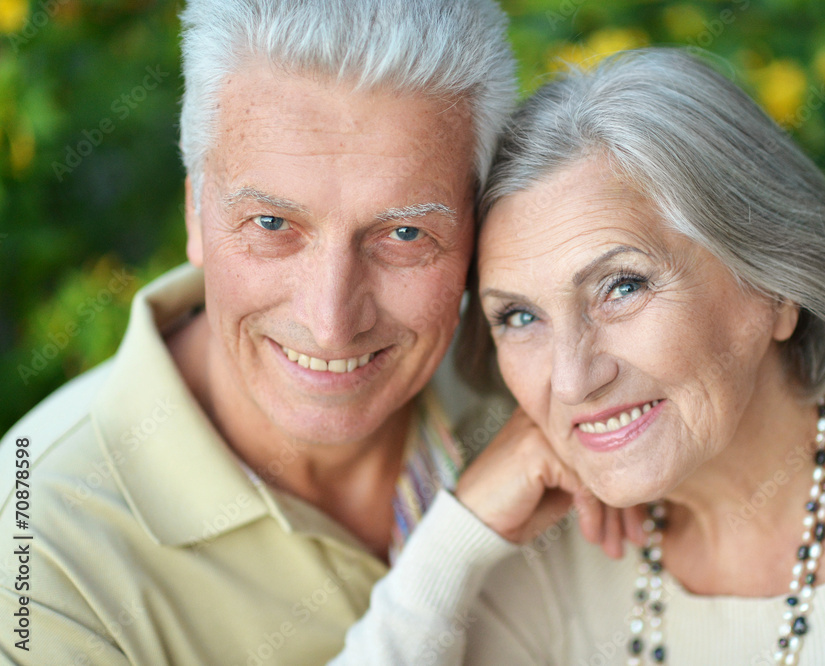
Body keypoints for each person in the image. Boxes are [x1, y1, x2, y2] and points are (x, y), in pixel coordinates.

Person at [334, 49, 825, 665]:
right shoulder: (541, 534)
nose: (572, 380)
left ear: (776, 284)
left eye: (623, 287)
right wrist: (453, 543)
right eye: (519, 316)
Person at [0, 0, 520, 663]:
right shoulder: (36, 555)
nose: (329, 322)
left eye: (404, 233)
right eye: (273, 225)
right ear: (195, 212)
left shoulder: (551, 388)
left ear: (478, 232)